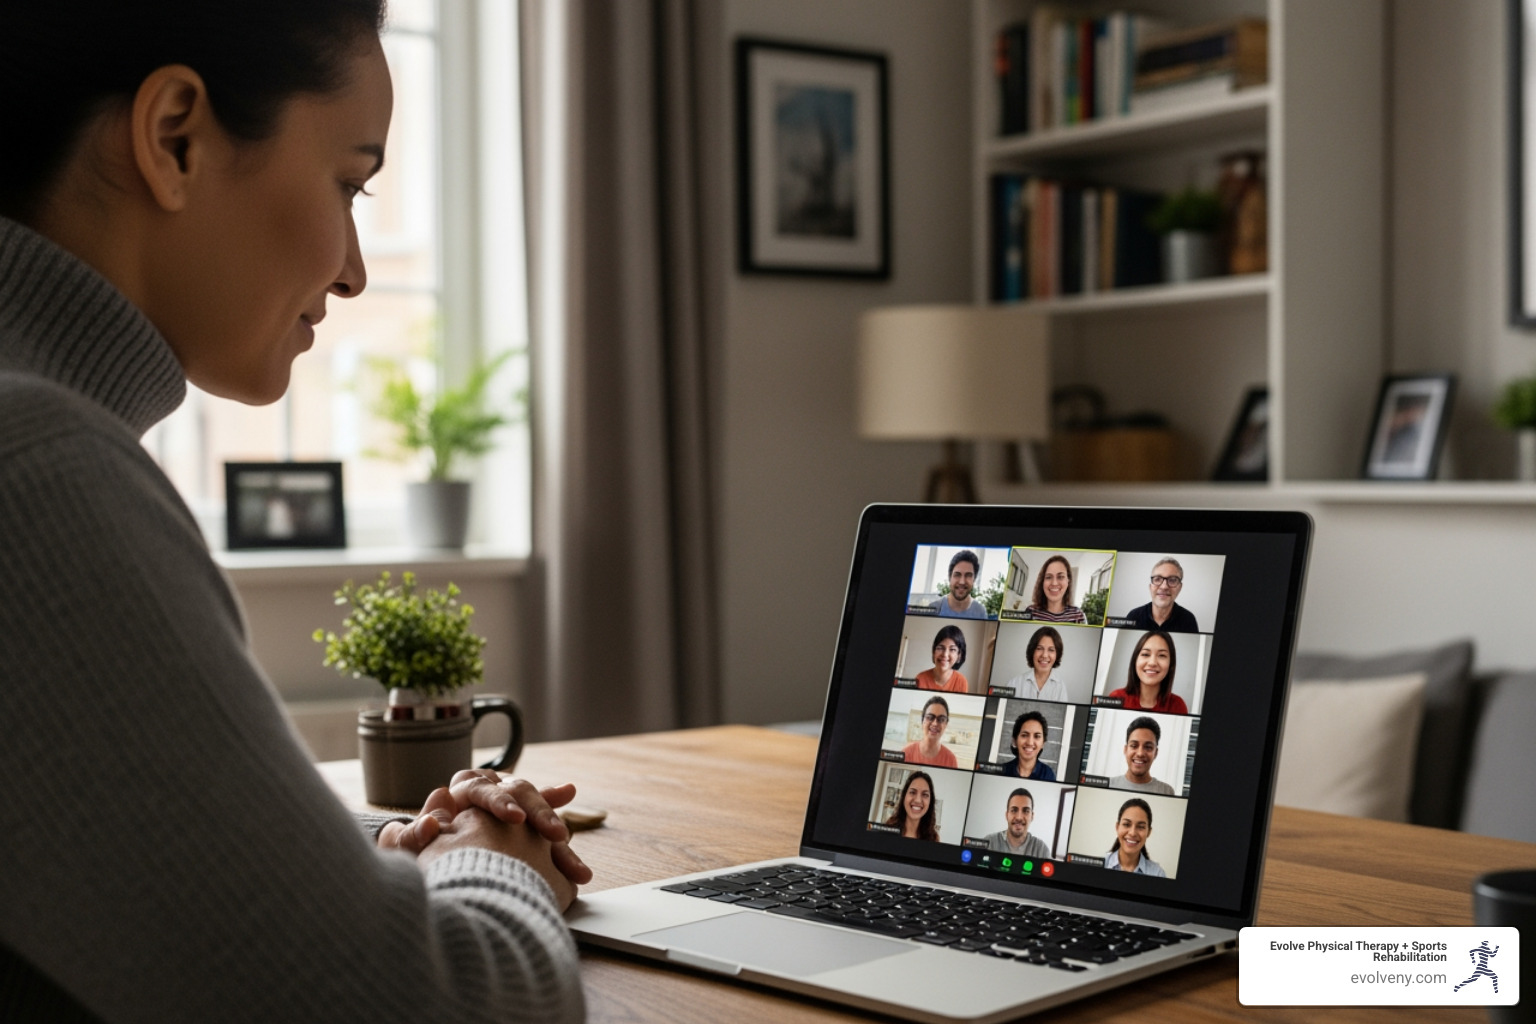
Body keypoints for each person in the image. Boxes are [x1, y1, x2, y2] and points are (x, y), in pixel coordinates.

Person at [0, 5, 587, 1020]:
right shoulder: (34, 474)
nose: (356, 269)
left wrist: (360, 880)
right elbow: (456, 1005)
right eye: (349, 183)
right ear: (175, 135)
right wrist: (499, 854)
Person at [1106, 630, 1190, 714]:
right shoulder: (1116, 697)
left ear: (1170, 664)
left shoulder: (1178, 706)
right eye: (1146, 654)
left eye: (1162, 655)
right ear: (1135, 660)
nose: (1152, 662)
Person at [1121, 558, 1200, 633]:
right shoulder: (1134, 616)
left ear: (1179, 588)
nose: (1164, 586)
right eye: (1157, 579)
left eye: (1172, 580)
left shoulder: (1188, 620)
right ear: (1150, 586)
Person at [1107, 716, 1176, 795]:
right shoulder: (1109, 784)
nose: (1140, 753)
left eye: (1148, 747)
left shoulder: (1166, 791)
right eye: (1134, 746)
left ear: (1156, 753)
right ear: (1125, 750)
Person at [1002, 626, 1068, 702]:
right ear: (1032, 651)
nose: (1045, 655)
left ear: (1057, 654)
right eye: (1039, 648)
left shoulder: (1060, 687)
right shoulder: (1013, 683)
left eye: (1051, 650)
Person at [1103, 798, 1166, 877]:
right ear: (1117, 827)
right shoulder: (1100, 864)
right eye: (1126, 824)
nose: (1132, 833)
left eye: (1140, 826)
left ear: (1149, 832)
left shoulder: (1157, 873)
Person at [982, 788, 1051, 859]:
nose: (1019, 817)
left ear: (1032, 816)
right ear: (1006, 815)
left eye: (1026, 811)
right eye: (1014, 810)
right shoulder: (989, 842)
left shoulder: (1042, 850)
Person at [993, 709, 1057, 780]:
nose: (1030, 742)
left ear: (1043, 743)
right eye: (1024, 735)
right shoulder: (1001, 772)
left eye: (1037, 736)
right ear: (1015, 741)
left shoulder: (1048, 774)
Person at [1023, 555, 1086, 623]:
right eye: (1049, 577)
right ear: (1042, 582)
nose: (1054, 583)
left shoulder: (1078, 615)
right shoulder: (1031, 612)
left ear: (1068, 581)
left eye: (1060, 577)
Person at [930, 549, 991, 619]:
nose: (962, 582)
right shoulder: (934, 607)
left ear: (974, 579)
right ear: (950, 577)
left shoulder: (980, 612)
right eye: (957, 575)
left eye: (968, 575)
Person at [903, 696, 960, 768]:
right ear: (922, 721)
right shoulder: (906, 753)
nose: (935, 723)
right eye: (930, 717)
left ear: (946, 725)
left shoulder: (951, 760)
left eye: (941, 719)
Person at [884, 771, 940, 841]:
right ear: (904, 796)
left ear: (930, 802)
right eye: (912, 792)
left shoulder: (934, 839)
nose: (918, 800)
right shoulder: (888, 829)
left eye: (925, 794)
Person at [914, 625, 969, 692]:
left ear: (959, 655)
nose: (945, 655)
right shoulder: (920, 678)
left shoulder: (961, 682)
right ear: (933, 652)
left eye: (952, 649)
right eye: (940, 648)